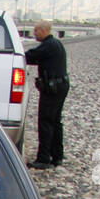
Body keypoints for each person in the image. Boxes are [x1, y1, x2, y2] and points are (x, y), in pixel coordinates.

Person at [24, 20, 69, 169]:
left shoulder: (48, 46)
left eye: (36, 30)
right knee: (55, 122)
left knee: (46, 122)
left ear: (44, 31)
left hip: (53, 88)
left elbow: (29, 56)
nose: (34, 33)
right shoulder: (56, 44)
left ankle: (43, 158)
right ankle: (57, 156)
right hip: (60, 86)